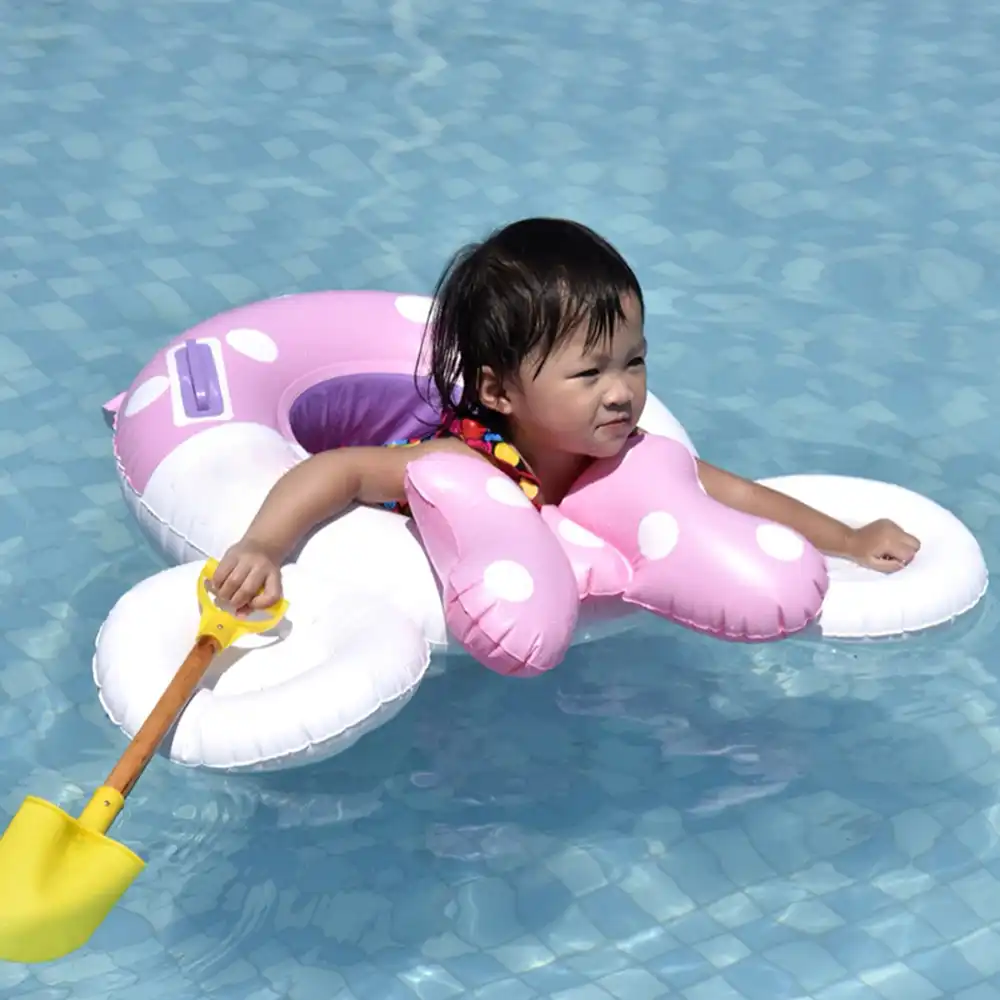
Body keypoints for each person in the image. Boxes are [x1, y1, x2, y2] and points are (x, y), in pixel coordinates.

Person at [211, 217, 920, 613]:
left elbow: (729, 492)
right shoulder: (458, 463)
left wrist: (849, 539)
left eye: (634, 362)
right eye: (590, 373)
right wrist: (264, 547)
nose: (620, 392)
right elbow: (338, 470)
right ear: (499, 393)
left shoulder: (620, 453)